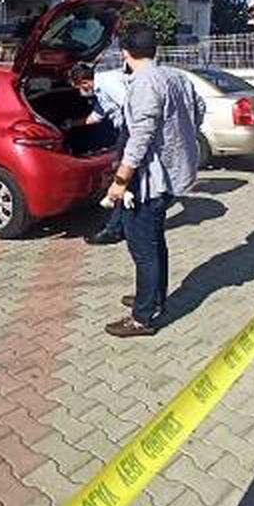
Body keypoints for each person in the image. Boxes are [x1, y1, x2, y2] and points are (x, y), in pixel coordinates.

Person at [103, 23, 206, 338]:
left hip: (151, 181)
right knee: (154, 241)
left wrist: (120, 181)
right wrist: (176, 137)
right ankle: (153, 296)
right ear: (155, 50)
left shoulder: (145, 83)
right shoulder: (176, 76)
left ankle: (142, 317)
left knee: (143, 249)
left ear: (125, 53)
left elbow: (140, 139)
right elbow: (199, 110)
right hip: (174, 176)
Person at [66, 62, 128, 246]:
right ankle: (121, 224)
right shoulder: (101, 89)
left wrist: (129, 139)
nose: (80, 92)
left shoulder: (108, 82)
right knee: (128, 181)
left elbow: (130, 106)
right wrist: (72, 124)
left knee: (122, 179)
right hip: (126, 132)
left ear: (84, 82)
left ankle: (113, 230)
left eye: (78, 87)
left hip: (130, 131)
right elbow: (96, 116)